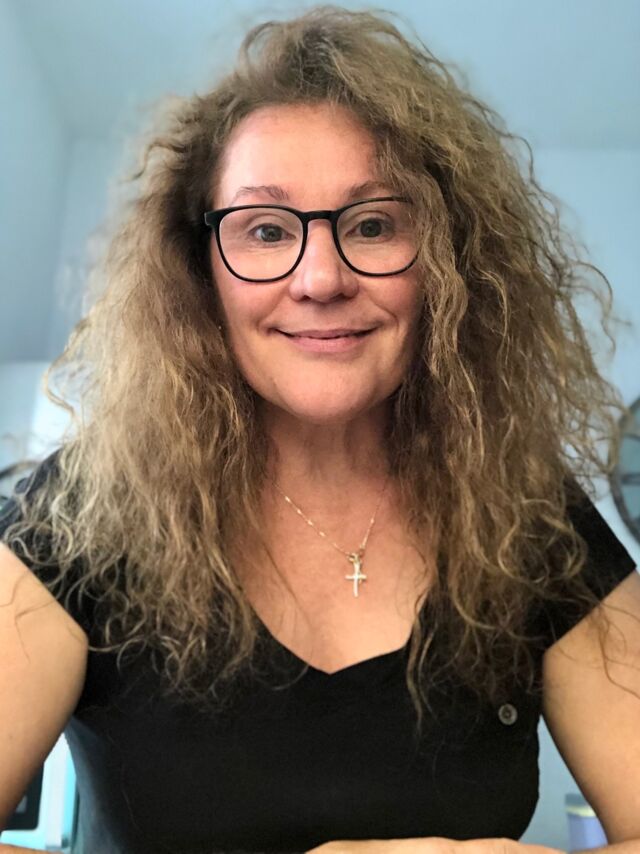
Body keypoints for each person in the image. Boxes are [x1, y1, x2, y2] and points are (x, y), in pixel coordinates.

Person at [1, 5, 639, 854]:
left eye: (373, 224)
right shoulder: (80, 516)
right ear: (200, 272)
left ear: (448, 266)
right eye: (266, 231)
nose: (321, 278)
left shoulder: (535, 520)